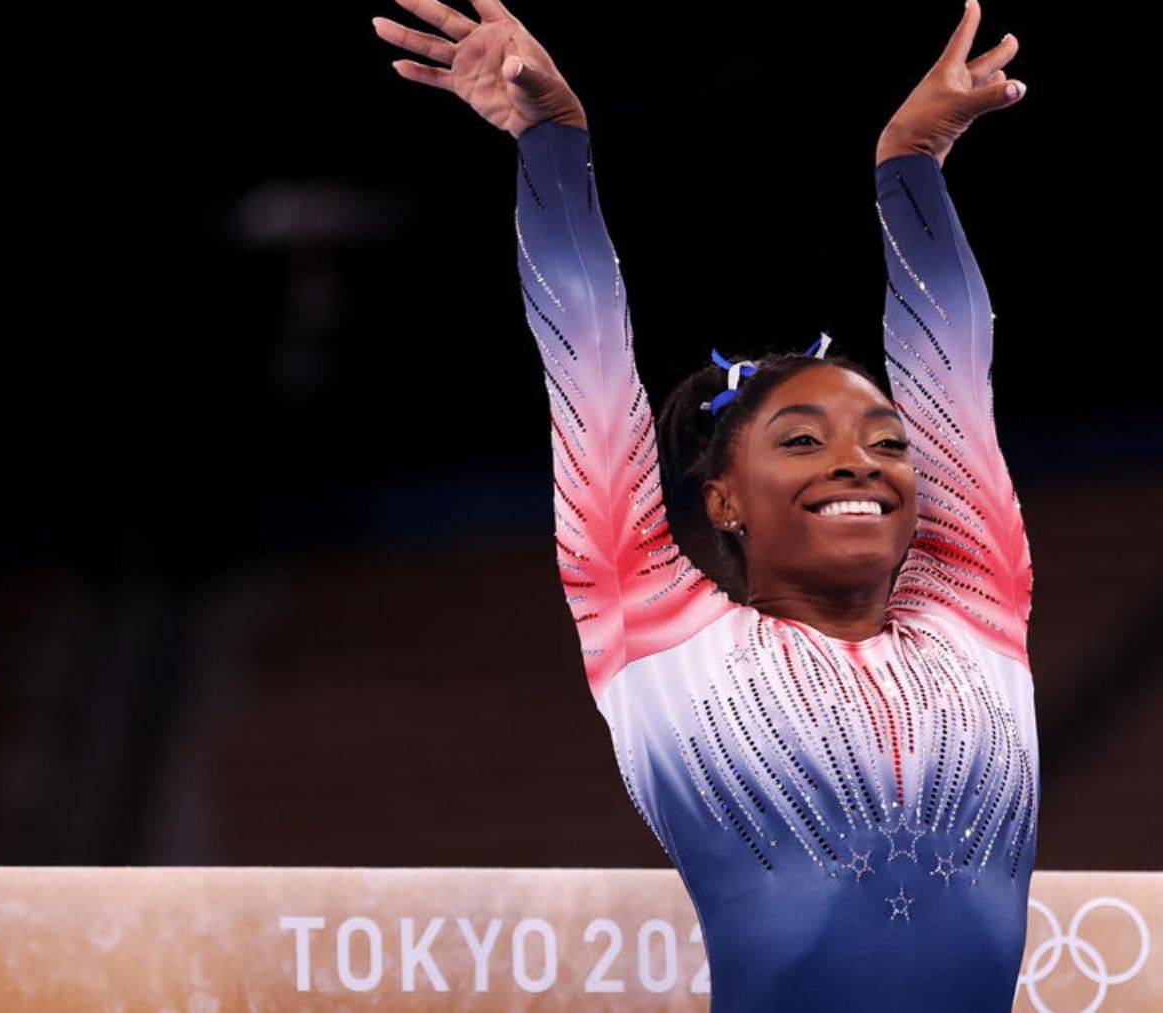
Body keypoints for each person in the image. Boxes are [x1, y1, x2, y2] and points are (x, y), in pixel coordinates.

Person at [375, 1, 1035, 1007]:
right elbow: (585, 355)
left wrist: (911, 164)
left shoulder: (978, 608)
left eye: (888, 441)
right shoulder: (656, 628)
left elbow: (957, 363)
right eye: (804, 441)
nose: (861, 462)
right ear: (724, 499)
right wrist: (552, 146)